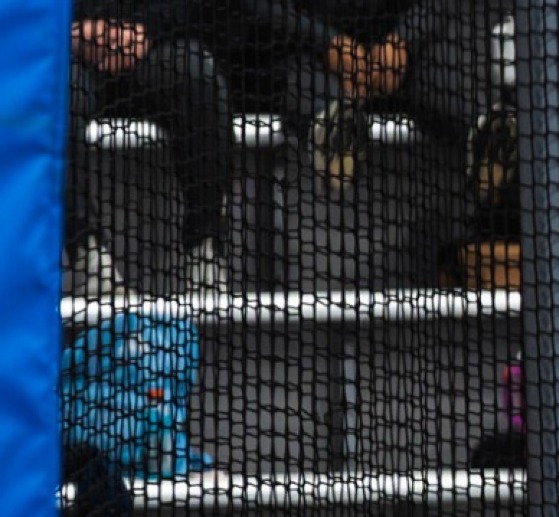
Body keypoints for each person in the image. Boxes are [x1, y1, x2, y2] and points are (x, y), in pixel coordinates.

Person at [193, 0, 507, 196]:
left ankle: (483, 135)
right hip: (306, 56)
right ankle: (335, 132)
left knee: (442, 74)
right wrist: (326, 43)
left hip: (398, 61)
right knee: (304, 81)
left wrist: (404, 40)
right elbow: (259, 8)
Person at [67, 0, 236, 296]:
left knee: (197, 73)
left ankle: (204, 249)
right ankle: (86, 255)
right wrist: (71, 34)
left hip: (149, 49)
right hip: (68, 58)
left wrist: (146, 30)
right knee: (57, 97)